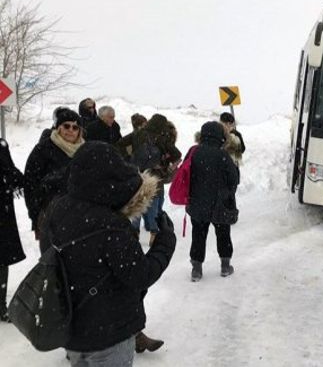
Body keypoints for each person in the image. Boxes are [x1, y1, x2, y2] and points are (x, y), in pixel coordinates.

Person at [39, 141, 176, 365]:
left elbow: (51, 258)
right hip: (110, 333)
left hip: (72, 330)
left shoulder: (56, 210)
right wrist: (165, 243)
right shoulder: (112, 225)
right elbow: (140, 276)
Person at [116, 114, 181, 245]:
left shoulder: (137, 134)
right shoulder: (162, 138)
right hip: (154, 176)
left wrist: (129, 159)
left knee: (136, 202)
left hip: (137, 174)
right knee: (152, 205)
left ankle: (134, 233)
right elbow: (177, 154)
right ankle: (154, 233)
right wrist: (164, 162)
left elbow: (120, 144)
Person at [24, 107, 85, 246]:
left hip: (80, 214)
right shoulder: (43, 149)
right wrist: (35, 214)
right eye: (66, 126)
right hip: (50, 214)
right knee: (51, 260)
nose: (71, 130)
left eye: (75, 127)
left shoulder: (85, 150)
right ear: (58, 128)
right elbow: (30, 183)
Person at [187, 121, 239, 281]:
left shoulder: (194, 152)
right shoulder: (222, 155)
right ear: (220, 136)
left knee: (198, 235)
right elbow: (234, 178)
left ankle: (196, 269)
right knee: (223, 234)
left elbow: (186, 175)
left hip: (197, 202)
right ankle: (225, 266)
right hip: (220, 203)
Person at [0, 138, 26, 322]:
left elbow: (14, 176)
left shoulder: (1, 146)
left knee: (2, 260)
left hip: (2, 212)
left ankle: (0, 305)